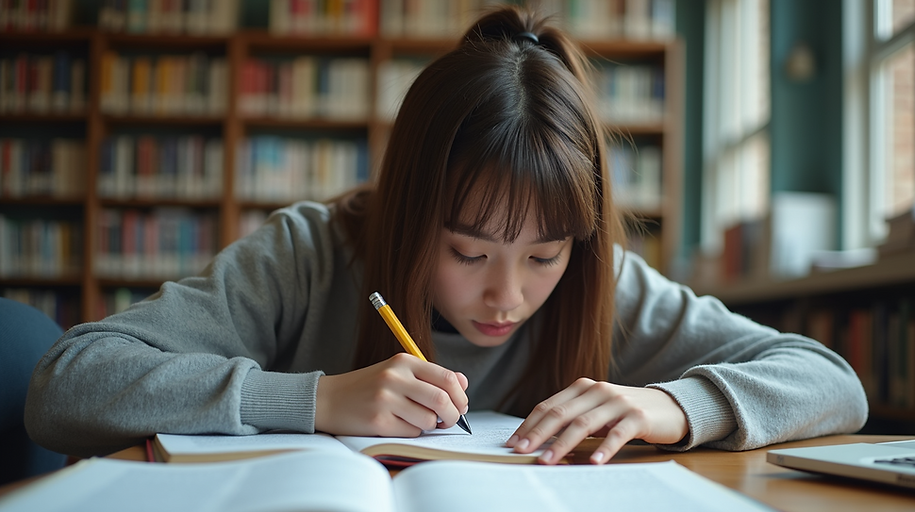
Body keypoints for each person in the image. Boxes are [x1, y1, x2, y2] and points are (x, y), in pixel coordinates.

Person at [26, 6, 867, 464]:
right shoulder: (309, 253)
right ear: (407, 212)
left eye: (543, 254)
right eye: (468, 253)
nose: (508, 295)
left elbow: (831, 381)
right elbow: (67, 384)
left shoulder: (602, 282)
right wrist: (315, 400)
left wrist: (672, 404)